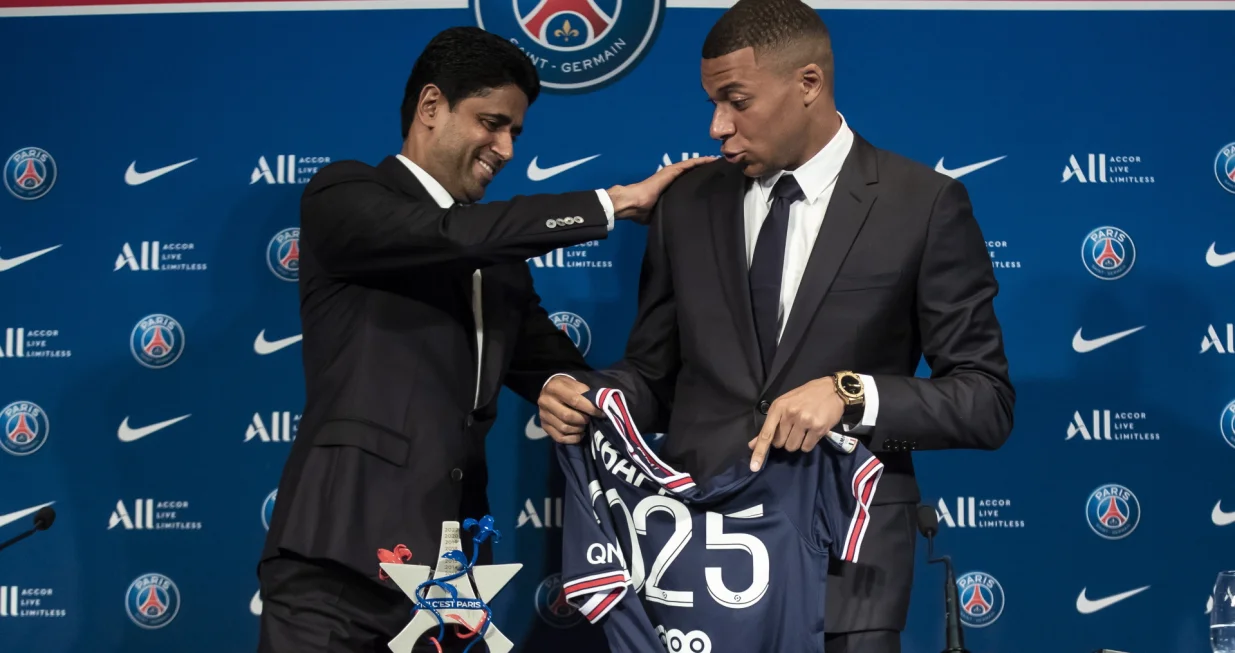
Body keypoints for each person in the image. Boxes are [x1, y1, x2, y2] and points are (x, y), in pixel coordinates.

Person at [537, 2, 1015, 652]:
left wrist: (851, 394)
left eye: (736, 101)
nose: (716, 127)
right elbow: (654, 373)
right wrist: (596, 398)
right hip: (698, 564)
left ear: (808, 84)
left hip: (845, 570)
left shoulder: (922, 204)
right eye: (711, 102)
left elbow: (985, 400)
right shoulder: (688, 203)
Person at [256, 26, 711, 653]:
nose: (504, 148)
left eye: (516, 134)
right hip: (339, 563)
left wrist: (610, 395)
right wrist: (611, 205)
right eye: (491, 123)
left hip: (450, 577)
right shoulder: (345, 194)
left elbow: (551, 367)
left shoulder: (500, 260)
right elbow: (450, 235)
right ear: (431, 107)